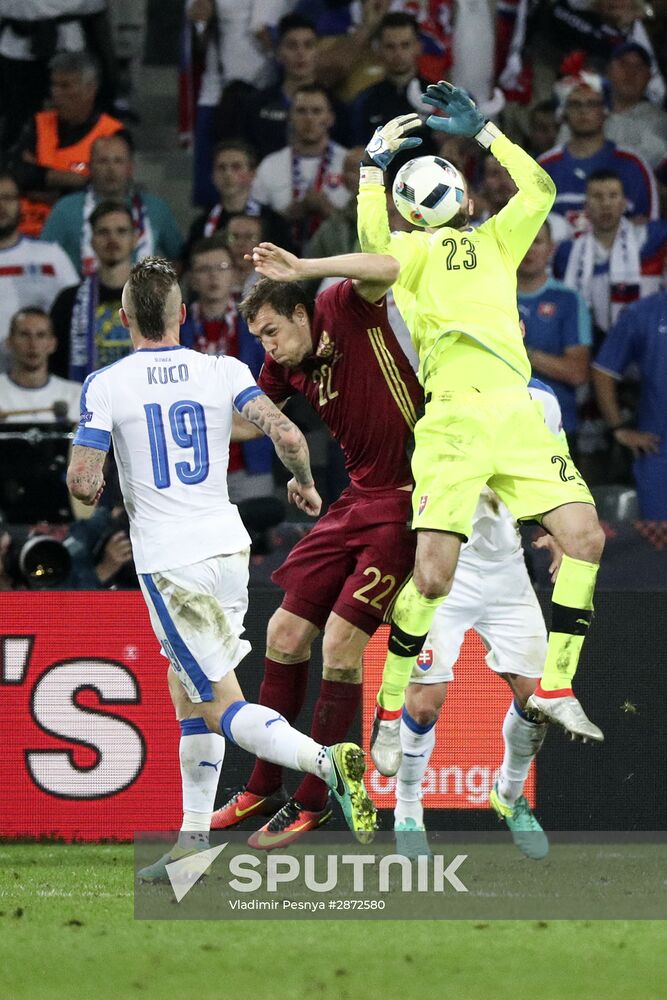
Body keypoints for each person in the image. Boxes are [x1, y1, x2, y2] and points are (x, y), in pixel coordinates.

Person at [66, 256, 377, 881]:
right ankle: (190, 847)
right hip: (227, 550)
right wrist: (306, 486)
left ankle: (327, 762)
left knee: (220, 703)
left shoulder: (107, 383)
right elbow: (288, 435)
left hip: (172, 564)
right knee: (186, 691)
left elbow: (81, 479)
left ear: (124, 317)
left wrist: (92, 480)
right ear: (182, 315)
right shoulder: (223, 369)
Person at [357, 88, 606, 776]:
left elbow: (541, 186)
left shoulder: (499, 241)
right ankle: (387, 702)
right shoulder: (407, 257)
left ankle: (551, 696)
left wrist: (490, 132)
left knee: (586, 537)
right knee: (430, 580)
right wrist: (369, 172)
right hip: (453, 422)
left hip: (513, 433)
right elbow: (371, 244)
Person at [210, 244, 422, 848]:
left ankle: (315, 797)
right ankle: (262, 784)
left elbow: (390, 266)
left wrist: (305, 269)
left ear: (300, 313)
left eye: (273, 332)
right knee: (281, 633)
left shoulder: (340, 306)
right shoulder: (282, 368)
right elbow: (259, 422)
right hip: (354, 499)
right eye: (259, 339)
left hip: (407, 501)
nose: (269, 348)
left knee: (340, 645)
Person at [395, 378, 564, 860]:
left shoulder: (543, 401)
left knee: (538, 699)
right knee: (425, 703)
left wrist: (555, 528)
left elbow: (555, 472)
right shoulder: (437, 390)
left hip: (506, 568)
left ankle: (508, 795)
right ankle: (408, 809)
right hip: (443, 561)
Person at [180, 235, 273, 503]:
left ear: (233, 274)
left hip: (249, 460)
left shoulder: (256, 325)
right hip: (194, 463)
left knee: (255, 540)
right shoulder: (176, 329)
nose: (213, 277)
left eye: (220, 268)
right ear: (193, 278)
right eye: (204, 269)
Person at [8, 51, 125, 236]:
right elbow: (14, 173)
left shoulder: (111, 134)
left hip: (78, 232)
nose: (56, 93)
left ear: (90, 89)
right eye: (54, 85)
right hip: (26, 231)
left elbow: (106, 189)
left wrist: (41, 183)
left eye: (65, 86)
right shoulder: (38, 124)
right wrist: (72, 178)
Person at [41, 132, 184, 275]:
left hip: (140, 296)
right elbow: (43, 259)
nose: (111, 169)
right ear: (90, 167)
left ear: (130, 168)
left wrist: (162, 289)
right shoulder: (66, 209)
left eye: (118, 161)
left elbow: (180, 257)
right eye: (103, 161)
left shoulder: (155, 208)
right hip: (82, 295)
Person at [538, 65, 657, 233]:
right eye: (575, 104)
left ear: (605, 110)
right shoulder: (543, 168)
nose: (584, 111)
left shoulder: (634, 165)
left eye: (592, 104)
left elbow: (650, 236)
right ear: (563, 112)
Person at [554, 170, 667, 342]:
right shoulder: (568, 253)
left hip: (647, 341)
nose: (605, 204)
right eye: (597, 196)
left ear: (623, 203)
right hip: (592, 344)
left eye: (613, 196)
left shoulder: (652, 238)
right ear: (586, 205)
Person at [592, 291, 667, 520]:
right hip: (658, 453)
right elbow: (603, 370)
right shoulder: (642, 312)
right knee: (658, 548)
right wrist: (618, 428)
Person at [250, 85, 350, 254]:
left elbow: (363, 221)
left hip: (339, 259)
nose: (309, 119)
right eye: (301, 111)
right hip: (282, 258)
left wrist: (328, 210)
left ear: (330, 118)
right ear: (290, 118)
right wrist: (285, 217)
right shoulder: (270, 165)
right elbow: (255, 220)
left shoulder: (349, 163)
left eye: (316, 111)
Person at [518, 222, 591, 446]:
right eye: (523, 241)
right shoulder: (490, 296)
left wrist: (521, 351)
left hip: (557, 426)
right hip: (504, 427)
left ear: (551, 248)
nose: (529, 249)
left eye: (537, 241)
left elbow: (577, 372)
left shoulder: (568, 300)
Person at [50, 200, 136, 381]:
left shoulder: (158, 298)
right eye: (103, 232)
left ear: (134, 239)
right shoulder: (69, 301)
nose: (112, 239)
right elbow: (56, 364)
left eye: (121, 231)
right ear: (92, 241)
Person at [0, 171, 79, 369]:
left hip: (40, 375)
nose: (1, 206)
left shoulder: (50, 257)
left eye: (8, 198)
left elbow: (76, 312)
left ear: (21, 203)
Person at [185, 141, 292, 259]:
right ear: (213, 175)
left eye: (236, 167)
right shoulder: (201, 225)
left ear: (252, 173)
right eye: (221, 168)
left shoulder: (274, 222)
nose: (228, 174)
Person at [351, 13, 436, 158]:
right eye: (390, 47)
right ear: (378, 50)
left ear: (418, 47)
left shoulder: (437, 98)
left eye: (405, 45)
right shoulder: (364, 102)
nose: (398, 54)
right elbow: (358, 152)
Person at [0, 308, 81, 423]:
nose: (33, 344)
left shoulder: (76, 396)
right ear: (9, 342)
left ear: (52, 344)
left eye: (41, 335)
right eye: (24, 335)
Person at [604, 42, 667, 169]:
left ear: (649, 77)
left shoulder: (659, 121)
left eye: (639, 67)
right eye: (623, 64)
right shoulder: (588, 112)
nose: (630, 73)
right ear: (609, 71)